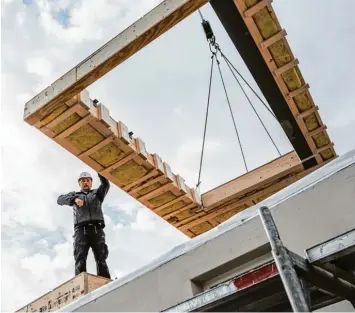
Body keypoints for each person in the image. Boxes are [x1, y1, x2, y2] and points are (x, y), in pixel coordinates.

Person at [57, 172, 111, 279]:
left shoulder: (98, 194)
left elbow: (106, 185)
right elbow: (60, 200)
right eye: (83, 180)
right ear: (79, 183)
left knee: (101, 259)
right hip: (81, 231)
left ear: (91, 182)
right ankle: (80, 283)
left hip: (97, 229)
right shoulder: (75, 195)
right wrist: (73, 200)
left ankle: (105, 283)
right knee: (80, 258)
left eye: (88, 180)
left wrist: (100, 171)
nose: (85, 182)